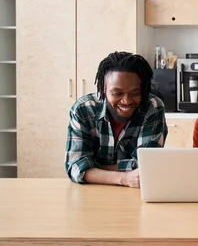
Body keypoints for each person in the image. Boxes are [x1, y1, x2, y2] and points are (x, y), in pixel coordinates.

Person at [65, 51, 168, 187]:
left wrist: (95, 167)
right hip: (92, 191)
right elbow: (75, 167)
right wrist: (124, 178)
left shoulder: (152, 107)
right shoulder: (83, 109)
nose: (126, 100)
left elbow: (147, 164)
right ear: (103, 89)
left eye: (135, 93)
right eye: (117, 93)